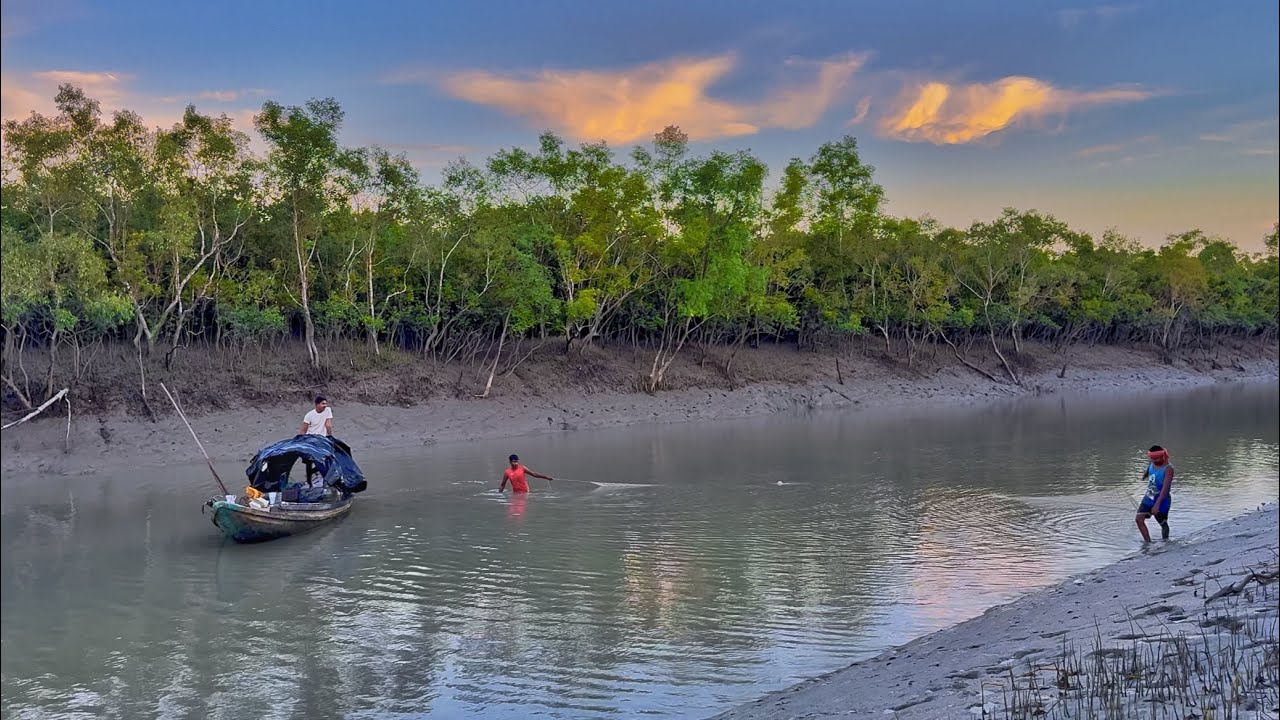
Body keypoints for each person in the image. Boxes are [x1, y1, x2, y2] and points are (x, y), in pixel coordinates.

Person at [1136, 445, 1174, 542]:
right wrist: (1144, 477)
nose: (1154, 461)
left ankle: (1166, 543)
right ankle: (1148, 543)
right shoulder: (1152, 463)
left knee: (1162, 523)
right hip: (1149, 496)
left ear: (1162, 456)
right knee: (1139, 519)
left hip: (1162, 499)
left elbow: (1166, 488)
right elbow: (1149, 469)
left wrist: (1157, 505)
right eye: (1152, 459)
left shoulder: (1168, 468)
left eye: (1156, 459)